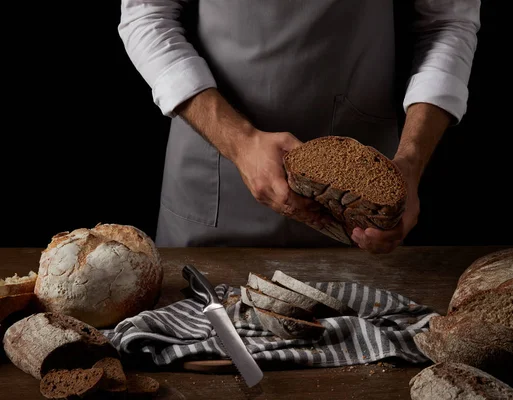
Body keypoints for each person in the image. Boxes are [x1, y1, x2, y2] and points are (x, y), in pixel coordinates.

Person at [118, 0, 481, 254]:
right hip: (212, 178)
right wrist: (241, 143)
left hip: (358, 201)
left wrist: (411, 164)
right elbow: (146, 15)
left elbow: (448, 22)